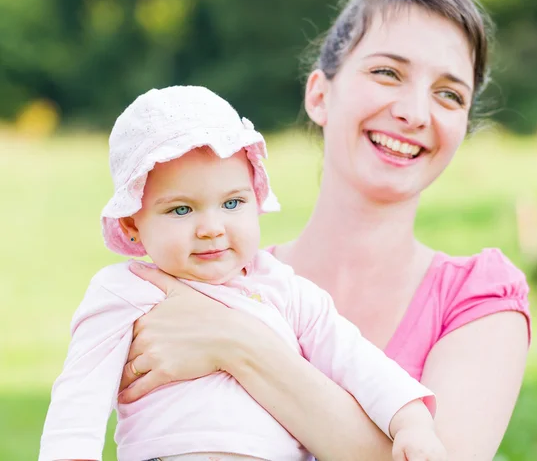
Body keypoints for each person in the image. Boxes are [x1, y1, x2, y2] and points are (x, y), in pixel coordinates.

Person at [115, 0, 531, 461]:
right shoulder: (206, 276)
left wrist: (242, 347)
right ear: (319, 95)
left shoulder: (479, 299)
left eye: (449, 94)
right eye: (387, 72)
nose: (416, 112)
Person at [39, 86, 446, 461]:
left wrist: (411, 422)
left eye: (232, 203)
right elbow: (79, 399)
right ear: (132, 225)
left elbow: (358, 362)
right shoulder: (126, 291)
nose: (212, 228)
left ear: (256, 198)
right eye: (181, 209)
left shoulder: (284, 289)